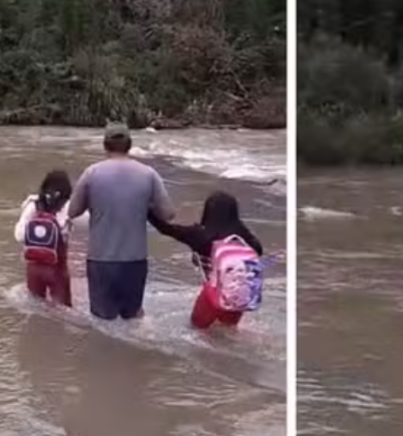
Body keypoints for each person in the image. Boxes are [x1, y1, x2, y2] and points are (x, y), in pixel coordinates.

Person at [66, 122, 177, 321]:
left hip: (101, 260)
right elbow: (168, 214)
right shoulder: (148, 174)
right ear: (130, 145)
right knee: (133, 321)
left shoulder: (92, 173)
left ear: (104, 145)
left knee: (102, 323)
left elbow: (73, 211)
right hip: (135, 261)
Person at [149, 192, 265, 330]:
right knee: (228, 333)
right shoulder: (243, 237)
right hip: (237, 295)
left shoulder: (199, 235)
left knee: (196, 331)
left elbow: (166, 229)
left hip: (211, 295)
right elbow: (258, 251)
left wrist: (147, 211)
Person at [14, 170, 75, 307]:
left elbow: (19, 236)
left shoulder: (32, 205)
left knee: (35, 307)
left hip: (33, 268)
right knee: (63, 312)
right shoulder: (68, 207)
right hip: (57, 269)